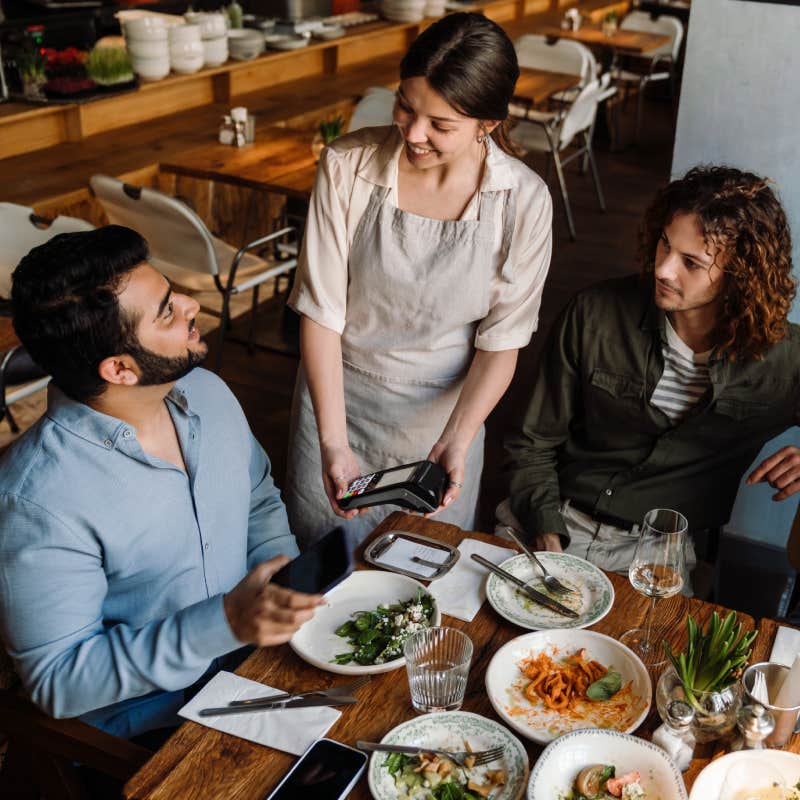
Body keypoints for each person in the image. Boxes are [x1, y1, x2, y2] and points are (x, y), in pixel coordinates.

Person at [0, 226, 322, 741]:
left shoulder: (208, 392)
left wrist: (284, 587)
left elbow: (257, 498)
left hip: (263, 668)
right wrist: (225, 624)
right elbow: (58, 680)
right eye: (167, 311)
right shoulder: (37, 499)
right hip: (154, 728)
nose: (193, 304)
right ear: (121, 369)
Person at [286, 12, 553, 546]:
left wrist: (456, 440)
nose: (413, 133)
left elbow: (501, 343)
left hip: (443, 420)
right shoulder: (347, 165)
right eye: (405, 106)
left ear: (488, 123)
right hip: (339, 402)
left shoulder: (522, 201)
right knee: (319, 574)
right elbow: (320, 312)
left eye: (441, 124)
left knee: (418, 584)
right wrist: (334, 443)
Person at [502, 165, 800, 581]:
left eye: (691, 263)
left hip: (660, 551)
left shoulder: (786, 358)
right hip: (552, 514)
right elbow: (531, 441)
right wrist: (547, 532)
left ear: (740, 278)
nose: (663, 269)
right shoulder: (594, 314)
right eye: (665, 244)